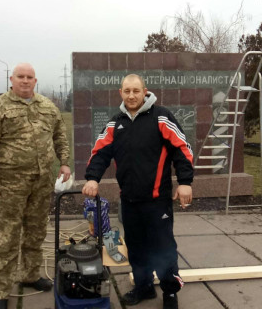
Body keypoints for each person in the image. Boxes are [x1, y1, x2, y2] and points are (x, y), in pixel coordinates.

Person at [82, 74, 193, 309]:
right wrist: (92, 178)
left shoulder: (161, 117)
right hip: (129, 201)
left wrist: (185, 182)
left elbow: (182, 148)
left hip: (157, 200)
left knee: (163, 248)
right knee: (136, 247)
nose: (131, 95)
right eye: (127, 91)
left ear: (145, 92)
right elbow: (100, 152)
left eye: (136, 91)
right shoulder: (115, 123)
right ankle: (143, 288)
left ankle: (170, 293)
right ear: (120, 93)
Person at [0, 63, 71, 309]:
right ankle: (0, 291)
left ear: (35, 80)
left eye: (29, 77)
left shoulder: (47, 106)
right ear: (12, 79)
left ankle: (30, 275)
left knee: (36, 231)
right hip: (9, 185)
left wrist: (64, 163)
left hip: (41, 182)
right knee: (7, 238)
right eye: (21, 77)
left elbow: (60, 134)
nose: (25, 81)